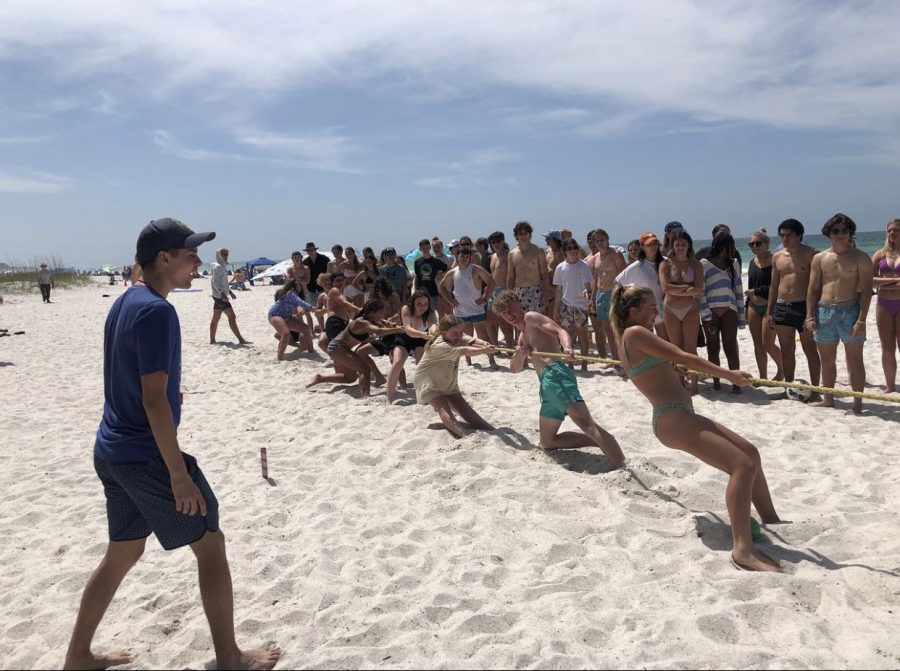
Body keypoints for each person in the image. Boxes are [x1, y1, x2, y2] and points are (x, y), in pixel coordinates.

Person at [63, 218, 281, 670]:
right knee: (211, 545)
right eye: (189, 254)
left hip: (111, 449)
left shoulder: (127, 301)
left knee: (124, 551)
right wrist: (178, 475)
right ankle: (229, 658)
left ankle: (78, 655)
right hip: (145, 455)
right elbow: (153, 400)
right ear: (164, 259)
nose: (197, 262)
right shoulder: (157, 311)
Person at [610, 284, 782, 572]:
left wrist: (670, 370)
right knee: (741, 466)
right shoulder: (634, 333)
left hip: (677, 415)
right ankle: (743, 549)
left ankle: (772, 520)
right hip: (672, 418)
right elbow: (683, 355)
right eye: (652, 305)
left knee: (750, 452)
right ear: (634, 311)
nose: (657, 309)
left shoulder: (632, 337)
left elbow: (659, 368)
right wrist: (729, 375)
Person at [492, 290, 624, 464]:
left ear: (518, 304)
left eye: (510, 309)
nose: (509, 315)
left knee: (586, 424)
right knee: (547, 442)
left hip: (556, 375)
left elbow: (560, 331)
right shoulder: (522, 337)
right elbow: (514, 369)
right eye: (504, 313)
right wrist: (520, 354)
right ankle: (600, 441)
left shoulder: (531, 318)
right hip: (546, 387)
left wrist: (567, 347)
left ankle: (619, 462)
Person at [806, 213, 874, 414]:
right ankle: (828, 399)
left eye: (844, 231)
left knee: (855, 360)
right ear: (829, 233)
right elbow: (812, 288)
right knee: (827, 360)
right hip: (824, 312)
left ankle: (858, 403)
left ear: (850, 232)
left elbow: (867, 291)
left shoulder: (861, 258)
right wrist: (809, 316)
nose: (840, 234)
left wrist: (861, 320)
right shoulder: (820, 258)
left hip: (849, 311)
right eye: (836, 231)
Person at [412, 315, 496, 437]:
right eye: (455, 333)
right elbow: (464, 351)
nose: (459, 335)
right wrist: (484, 350)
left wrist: (484, 343)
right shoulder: (439, 345)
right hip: (428, 380)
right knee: (443, 408)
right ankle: (465, 435)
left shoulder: (456, 336)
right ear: (444, 332)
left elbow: (470, 340)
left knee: (464, 408)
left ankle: (490, 428)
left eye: (461, 331)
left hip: (446, 378)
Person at [766, 219, 821, 395]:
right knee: (787, 349)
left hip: (804, 306)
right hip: (782, 306)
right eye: (782, 235)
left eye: (789, 235)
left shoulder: (811, 254)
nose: (785, 238)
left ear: (799, 235)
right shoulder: (777, 257)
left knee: (809, 348)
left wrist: (812, 312)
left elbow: (817, 285)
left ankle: (816, 389)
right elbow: (774, 286)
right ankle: (788, 388)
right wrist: (769, 311)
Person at [307, 299, 405, 397]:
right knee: (365, 369)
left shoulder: (370, 320)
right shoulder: (361, 322)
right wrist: (398, 329)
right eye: (380, 312)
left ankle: (320, 378)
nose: (382, 315)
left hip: (340, 348)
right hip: (337, 347)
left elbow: (383, 327)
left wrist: (391, 325)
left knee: (350, 378)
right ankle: (365, 396)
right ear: (371, 313)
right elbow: (379, 331)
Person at [659, 229, 704, 393]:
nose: (680, 247)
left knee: (691, 348)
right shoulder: (666, 264)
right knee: (676, 348)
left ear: (688, 245)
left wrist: (676, 289)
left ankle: (694, 383)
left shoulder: (695, 264)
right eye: (677, 244)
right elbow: (665, 288)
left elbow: (699, 289)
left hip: (690, 309)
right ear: (672, 245)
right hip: (670, 309)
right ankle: (679, 382)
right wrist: (687, 288)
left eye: (683, 244)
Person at [699, 233, 745, 393]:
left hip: (729, 309)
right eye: (730, 246)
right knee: (713, 348)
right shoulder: (704, 264)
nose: (733, 250)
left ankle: (736, 384)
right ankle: (716, 382)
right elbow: (701, 291)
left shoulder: (734, 264)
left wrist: (741, 316)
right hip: (710, 310)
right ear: (722, 246)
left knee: (730, 347)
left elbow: (738, 289)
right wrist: (705, 313)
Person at [438, 246, 498, 369]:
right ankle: (468, 361)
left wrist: (485, 298)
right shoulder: (453, 272)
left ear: (470, 257)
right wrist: (450, 300)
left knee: (483, 335)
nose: (464, 258)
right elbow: (442, 286)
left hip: (477, 310)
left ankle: (492, 360)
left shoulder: (476, 269)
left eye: (466, 256)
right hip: (460, 311)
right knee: (464, 337)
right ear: (457, 257)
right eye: (461, 256)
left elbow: (492, 282)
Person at [384, 289, 437, 403]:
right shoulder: (406, 309)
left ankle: (424, 395)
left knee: (421, 365)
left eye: (425, 304)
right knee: (397, 363)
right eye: (419, 304)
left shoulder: (431, 314)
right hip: (404, 337)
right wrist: (424, 334)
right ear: (413, 303)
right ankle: (389, 398)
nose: (422, 307)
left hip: (421, 340)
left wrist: (434, 333)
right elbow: (408, 329)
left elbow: (433, 326)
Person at [615, 232, 668, 340]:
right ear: (642, 247)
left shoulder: (667, 261)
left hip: (667, 306)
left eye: (655, 243)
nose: (653, 246)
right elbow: (617, 282)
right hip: (646, 308)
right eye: (649, 244)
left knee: (667, 341)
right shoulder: (637, 266)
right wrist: (630, 298)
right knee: (649, 342)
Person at [745, 229, 783, 381]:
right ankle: (763, 377)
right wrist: (748, 304)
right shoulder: (751, 262)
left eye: (758, 243)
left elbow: (778, 286)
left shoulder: (775, 260)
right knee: (757, 344)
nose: (754, 246)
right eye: (751, 244)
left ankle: (782, 370)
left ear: (767, 244)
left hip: (770, 306)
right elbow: (750, 286)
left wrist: (757, 291)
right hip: (753, 306)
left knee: (768, 343)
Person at [552, 238, 594, 371]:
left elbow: (588, 284)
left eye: (574, 247)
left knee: (582, 334)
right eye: (569, 248)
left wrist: (587, 292)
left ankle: (584, 364)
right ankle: (570, 364)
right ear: (564, 251)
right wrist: (556, 308)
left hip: (581, 306)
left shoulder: (584, 265)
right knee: (567, 335)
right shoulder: (560, 267)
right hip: (566, 305)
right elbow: (559, 289)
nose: (573, 251)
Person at [587, 229, 627, 363]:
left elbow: (624, 275)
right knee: (607, 330)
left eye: (602, 239)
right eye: (597, 240)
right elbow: (596, 279)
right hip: (600, 295)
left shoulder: (616, 254)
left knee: (618, 330)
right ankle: (615, 362)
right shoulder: (596, 257)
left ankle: (623, 361)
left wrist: (622, 296)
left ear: (607, 239)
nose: (600, 243)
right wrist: (592, 298)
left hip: (614, 293)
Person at [873, 218, 900, 392]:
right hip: (883, 303)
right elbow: (869, 280)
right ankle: (890, 385)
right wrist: (894, 280)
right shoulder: (880, 254)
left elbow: (878, 281)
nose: (892, 233)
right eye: (889, 230)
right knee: (887, 346)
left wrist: (884, 281)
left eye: (896, 230)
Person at [267, 278, 316, 360]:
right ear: (292, 287)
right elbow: (301, 302)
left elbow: (296, 313)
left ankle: (311, 352)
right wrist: (311, 307)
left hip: (287, 317)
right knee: (286, 334)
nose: (299, 286)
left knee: (306, 328)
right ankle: (279, 359)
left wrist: (304, 311)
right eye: (297, 285)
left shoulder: (296, 296)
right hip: (275, 315)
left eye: (300, 284)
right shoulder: (289, 293)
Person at [508, 221, 550, 314]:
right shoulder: (512, 254)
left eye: (526, 233)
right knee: (520, 323)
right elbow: (511, 277)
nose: (523, 236)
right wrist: (510, 296)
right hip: (518, 292)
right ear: (516, 236)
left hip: (536, 291)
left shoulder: (538, 251)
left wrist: (546, 295)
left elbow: (544, 274)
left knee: (537, 323)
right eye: (520, 233)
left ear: (530, 235)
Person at [209, 248, 250, 345]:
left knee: (216, 317)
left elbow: (224, 283)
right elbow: (215, 282)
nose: (226, 256)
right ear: (219, 255)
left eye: (227, 254)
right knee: (232, 316)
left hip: (218, 296)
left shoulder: (222, 266)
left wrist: (230, 292)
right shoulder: (218, 267)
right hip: (219, 297)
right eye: (224, 254)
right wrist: (222, 294)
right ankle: (241, 339)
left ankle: (212, 340)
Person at [487, 231, 515, 348]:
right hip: (493, 291)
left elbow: (512, 275)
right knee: (489, 321)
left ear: (503, 241)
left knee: (505, 322)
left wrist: (509, 293)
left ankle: (509, 348)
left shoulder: (508, 255)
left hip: (504, 290)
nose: (496, 244)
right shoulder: (492, 256)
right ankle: (495, 347)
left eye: (498, 241)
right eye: (493, 242)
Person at [413, 238, 448, 312]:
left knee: (435, 312)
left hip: (433, 292)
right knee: (422, 313)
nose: (425, 249)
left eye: (426, 247)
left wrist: (440, 274)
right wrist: (416, 291)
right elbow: (417, 277)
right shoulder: (417, 262)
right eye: (423, 248)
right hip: (421, 293)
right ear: (420, 249)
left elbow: (449, 268)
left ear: (429, 247)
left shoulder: (436, 261)